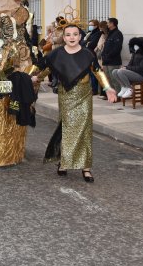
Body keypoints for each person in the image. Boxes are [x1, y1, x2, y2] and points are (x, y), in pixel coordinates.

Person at [34, 24, 117, 182]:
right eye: (68, 35)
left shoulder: (88, 54)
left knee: (84, 129)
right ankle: (64, 163)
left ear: (80, 37)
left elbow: (98, 71)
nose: (72, 37)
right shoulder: (56, 54)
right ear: (64, 38)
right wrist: (35, 78)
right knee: (67, 128)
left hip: (84, 95)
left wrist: (107, 87)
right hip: (66, 95)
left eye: (75, 34)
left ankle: (86, 167)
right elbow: (47, 68)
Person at [101, 17, 124, 94]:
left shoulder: (117, 34)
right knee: (108, 79)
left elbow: (117, 48)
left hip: (113, 61)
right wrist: (103, 55)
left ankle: (117, 95)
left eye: (108, 23)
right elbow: (106, 47)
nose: (107, 24)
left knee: (114, 79)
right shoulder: (109, 34)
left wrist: (108, 56)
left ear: (112, 24)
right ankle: (112, 95)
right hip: (106, 61)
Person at [83, 19, 102, 94]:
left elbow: (92, 44)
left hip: (93, 55)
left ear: (96, 26)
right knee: (90, 73)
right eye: (89, 25)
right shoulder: (89, 33)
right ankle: (91, 88)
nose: (90, 26)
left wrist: (86, 43)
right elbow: (82, 42)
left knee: (94, 72)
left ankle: (95, 89)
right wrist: (86, 42)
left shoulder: (98, 33)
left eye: (91, 25)